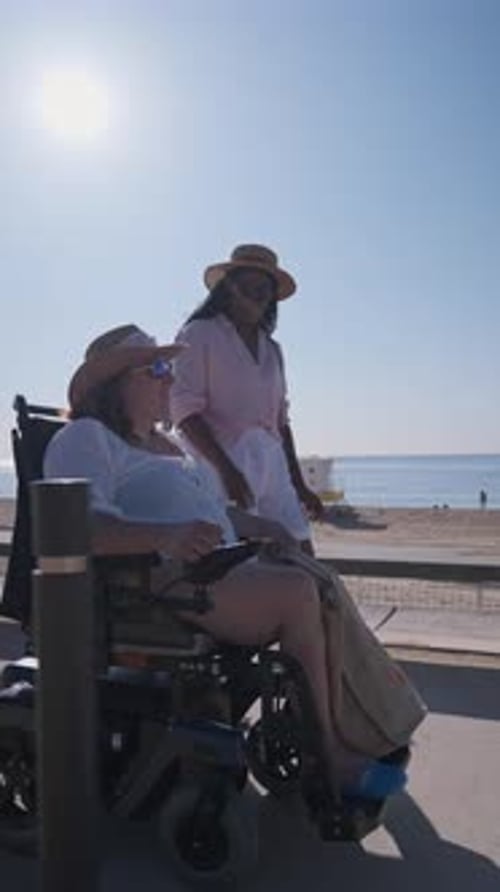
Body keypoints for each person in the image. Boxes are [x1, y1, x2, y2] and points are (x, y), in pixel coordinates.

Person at [44, 323, 416, 800]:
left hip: (214, 570)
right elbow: (77, 529)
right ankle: (333, 752)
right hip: (161, 584)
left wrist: (266, 528)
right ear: (115, 382)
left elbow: (216, 513)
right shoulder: (86, 438)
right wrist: (168, 537)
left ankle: (372, 723)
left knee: (321, 585)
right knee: (298, 595)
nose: (170, 380)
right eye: (157, 368)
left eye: (171, 369)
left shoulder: (168, 447)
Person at [169, 244, 324, 554]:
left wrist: (300, 486)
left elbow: (281, 424)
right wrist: (228, 471)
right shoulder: (199, 334)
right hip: (219, 461)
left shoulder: (273, 349)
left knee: (303, 554)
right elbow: (183, 411)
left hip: (272, 464)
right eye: (248, 285)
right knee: (239, 560)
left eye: (264, 288)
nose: (256, 293)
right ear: (229, 287)